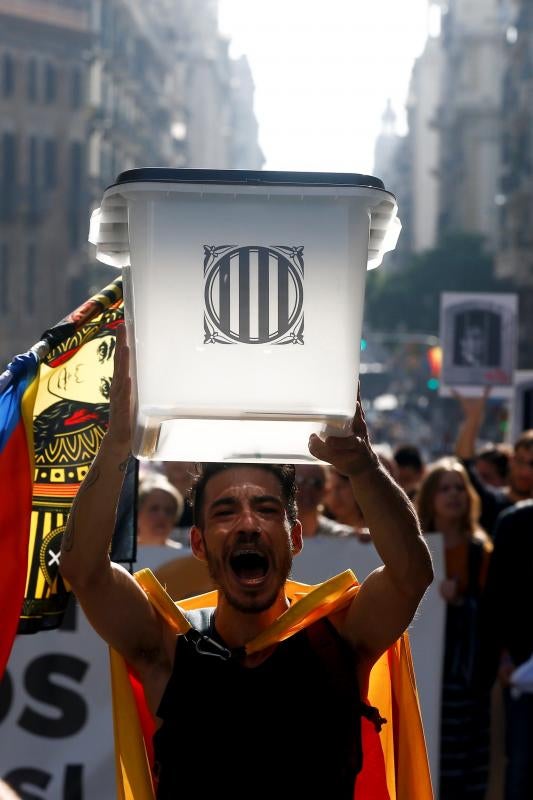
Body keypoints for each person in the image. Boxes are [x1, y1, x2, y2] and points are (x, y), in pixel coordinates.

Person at [59, 327, 433, 798]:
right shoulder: (168, 649)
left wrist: (363, 466)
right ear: (197, 543)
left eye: (267, 509)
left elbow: (411, 575)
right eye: (224, 511)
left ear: (295, 537)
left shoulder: (342, 641)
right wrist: (116, 445)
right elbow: (84, 571)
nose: (248, 523)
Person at [416, 458, 492, 800]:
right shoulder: (415, 549)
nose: (453, 495)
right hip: (425, 672)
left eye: (459, 487)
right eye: (444, 488)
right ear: (430, 497)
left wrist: (461, 602)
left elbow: (493, 613)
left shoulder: (481, 552)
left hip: (466, 678)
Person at [480, 500, 533, 800]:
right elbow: (495, 600)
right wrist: (503, 659)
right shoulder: (515, 522)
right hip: (521, 675)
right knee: (520, 770)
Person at [454, 390, 533, 534]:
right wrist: (473, 418)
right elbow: (464, 464)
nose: (526, 471)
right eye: (521, 461)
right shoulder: (491, 502)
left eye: (532, 464)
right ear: (511, 460)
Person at [294, 464, 355, 537]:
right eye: (299, 480)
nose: (307, 488)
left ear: (326, 490)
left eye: (316, 483)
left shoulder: (339, 536)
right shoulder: (278, 533)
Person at [137, 474, 184, 548]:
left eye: (168, 511)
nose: (162, 516)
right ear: (138, 513)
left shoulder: (184, 556)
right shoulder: (121, 554)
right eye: (154, 509)